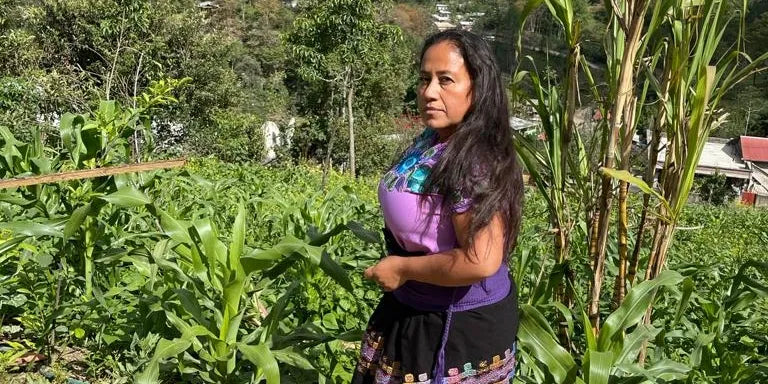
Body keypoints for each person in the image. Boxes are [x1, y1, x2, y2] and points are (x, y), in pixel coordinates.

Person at [352, 29, 524, 384]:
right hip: (417, 309)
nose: (429, 92)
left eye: (446, 80)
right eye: (424, 79)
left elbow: (480, 260)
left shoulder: (475, 162)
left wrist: (403, 268)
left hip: (455, 329)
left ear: (478, 88)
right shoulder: (436, 138)